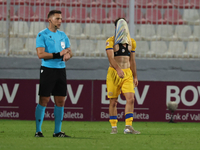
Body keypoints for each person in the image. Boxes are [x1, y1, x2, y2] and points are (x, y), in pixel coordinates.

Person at [35, 10, 73, 137]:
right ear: (49, 20)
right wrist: (58, 54)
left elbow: (69, 51)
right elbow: (40, 54)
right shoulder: (42, 35)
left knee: (61, 100)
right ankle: (38, 131)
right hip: (48, 70)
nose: (60, 21)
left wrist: (68, 55)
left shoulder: (63, 35)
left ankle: (57, 131)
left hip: (61, 70)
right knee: (44, 99)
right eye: (57, 19)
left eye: (61, 19)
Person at [105, 18, 140, 134]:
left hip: (127, 74)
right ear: (116, 28)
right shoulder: (110, 41)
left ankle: (128, 126)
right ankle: (114, 127)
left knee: (131, 99)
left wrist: (135, 76)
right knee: (113, 101)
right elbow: (110, 57)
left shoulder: (132, 42)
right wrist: (118, 69)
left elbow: (133, 61)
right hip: (114, 73)